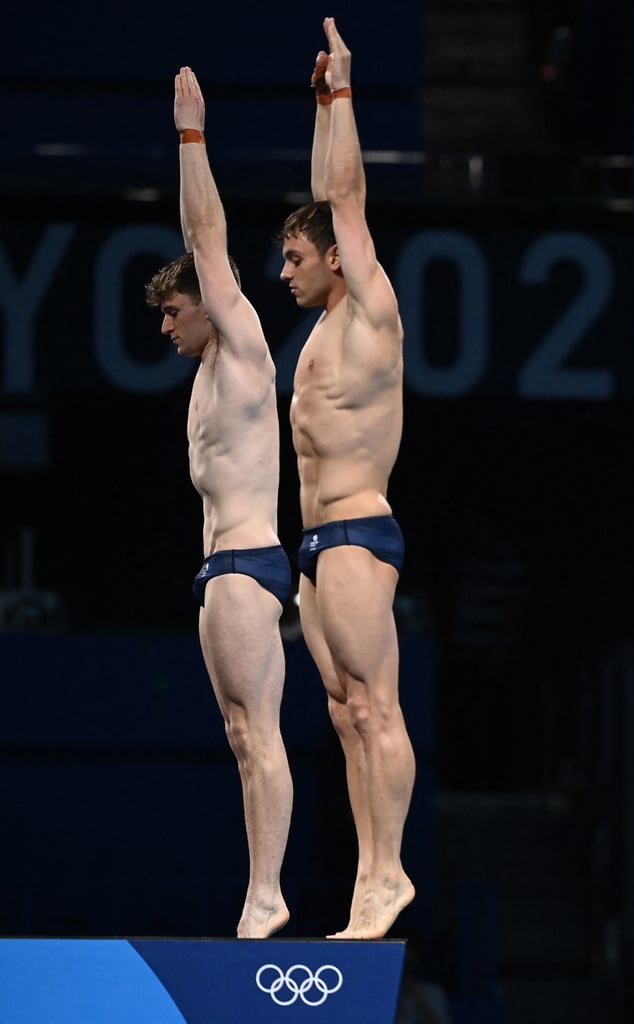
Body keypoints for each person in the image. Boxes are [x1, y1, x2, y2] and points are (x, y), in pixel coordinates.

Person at [145, 66, 293, 939]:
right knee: (241, 738)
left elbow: (206, 231)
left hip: (245, 564)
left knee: (258, 735)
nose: (165, 326)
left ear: (211, 300)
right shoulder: (205, 375)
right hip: (220, 571)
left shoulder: (238, 342)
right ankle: (260, 890)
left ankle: (265, 895)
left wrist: (189, 137)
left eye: (173, 311)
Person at [279, 17, 416, 939]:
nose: (281, 271)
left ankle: (386, 873)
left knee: (375, 707)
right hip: (314, 547)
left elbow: (344, 194)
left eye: (293, 257)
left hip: (361, 533)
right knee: (341, 715)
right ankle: (369, 875)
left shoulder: (369, 307)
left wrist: (339, 95)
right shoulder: (318, 336)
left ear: (336, 257)